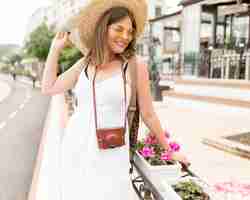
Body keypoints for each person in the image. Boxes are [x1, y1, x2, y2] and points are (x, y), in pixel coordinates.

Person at [41, 0, 189, 199]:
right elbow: (48, 87)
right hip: (75, 149)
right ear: (104, 28)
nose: (125, 37)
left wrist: (170, 152)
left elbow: (148, 114)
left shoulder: (135, 66)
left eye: (129, 32)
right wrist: (54, 49)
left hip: (111, 155)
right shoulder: (85, 63)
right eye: (119, 29)